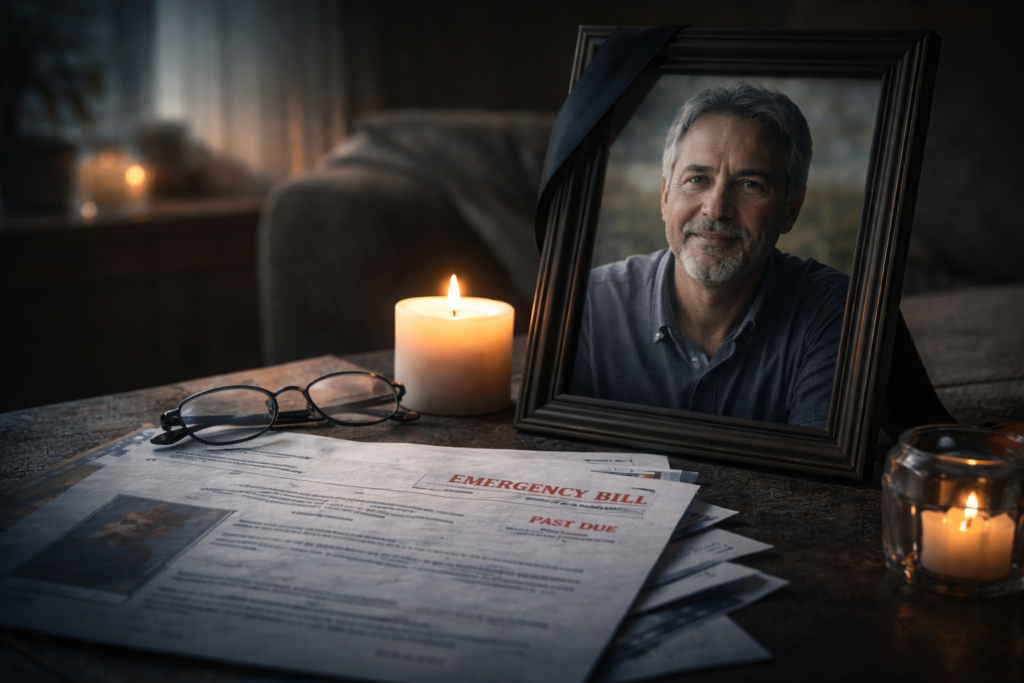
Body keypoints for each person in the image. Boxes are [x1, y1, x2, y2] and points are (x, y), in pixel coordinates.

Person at [571, 82, 849, 429]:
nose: (716, 208)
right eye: (698, 178)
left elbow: (817, 478)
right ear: (665, 197)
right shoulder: (587, 305)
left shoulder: (837, 313)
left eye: (750, 184)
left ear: (791, 209)